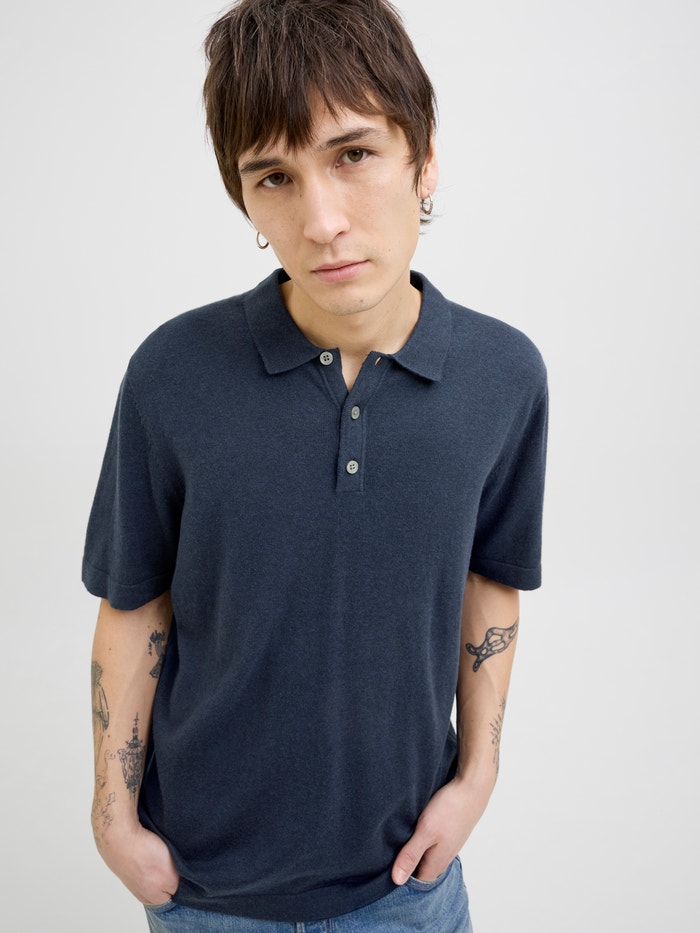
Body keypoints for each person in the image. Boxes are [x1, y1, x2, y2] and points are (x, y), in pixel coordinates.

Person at [84, 1, 548, 930]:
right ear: (244, 198)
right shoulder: (173, 372)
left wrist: (478, 776)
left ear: (424, 157)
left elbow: (489, 580)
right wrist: (111, 815)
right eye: (274, 176)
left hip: (406, 888)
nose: (322, 220)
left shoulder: (504, 375)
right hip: (204, 894)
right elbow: (137, 603)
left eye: (353, 154)